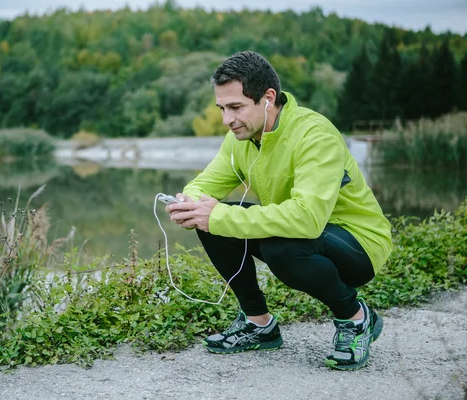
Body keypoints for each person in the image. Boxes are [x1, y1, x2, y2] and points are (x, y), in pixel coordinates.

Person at [166, 51, 392, 371]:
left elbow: (308, 218)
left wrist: (217, 215)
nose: (227, 119)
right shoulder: (240, 138)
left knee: (275, 244)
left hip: (358, 243)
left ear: (268, 98)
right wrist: (188, 202)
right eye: (222, 109)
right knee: (210, 221)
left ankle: (355, 319)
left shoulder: (314, 134)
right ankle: (259, 324)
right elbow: (206, 184)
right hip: (299, 234)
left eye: (236, 107)